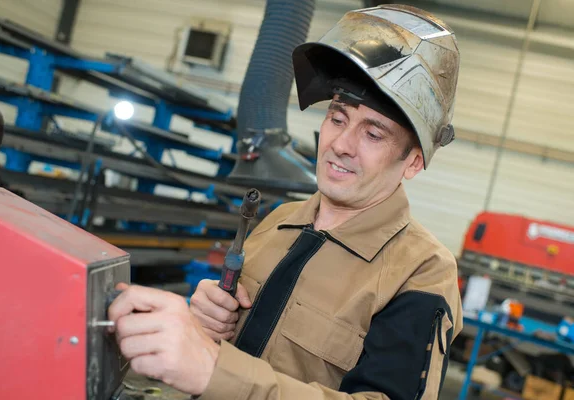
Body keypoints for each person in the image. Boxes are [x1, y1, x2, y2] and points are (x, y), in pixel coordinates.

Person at [108, 5, 463, 399]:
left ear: (412, 161)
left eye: (373, 134)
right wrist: (209, 325)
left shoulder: (423, 272)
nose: (340, 146)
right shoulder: (278, 221)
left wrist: (214, 370)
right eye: (338, 118)